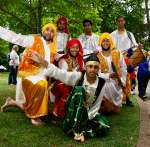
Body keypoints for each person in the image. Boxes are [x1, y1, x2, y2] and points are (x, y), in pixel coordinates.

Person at [28, 52, 110, 142]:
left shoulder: (101, 83)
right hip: (73, 110)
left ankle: (81, 128)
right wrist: (44, 62)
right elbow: (59, 73)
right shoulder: (79, 76)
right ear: (86, 67)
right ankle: (78, 132)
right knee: (79, 91)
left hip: (88, 113)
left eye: (95, 67)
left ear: (98, 69)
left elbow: (96, 106)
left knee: (103, 126)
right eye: (90, 66)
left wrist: (87, 117)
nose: (92, 69)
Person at [0, 23, 57, 125]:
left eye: (52, 31)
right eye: (47, 29)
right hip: (29, 74)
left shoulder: (52, 48)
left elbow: (49, 65)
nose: (49, 32)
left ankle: (12, 102)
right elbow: (16, 38)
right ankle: (34, 117)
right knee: (41, 85)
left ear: (54, 34)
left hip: (42, 75)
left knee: (41, 89)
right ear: (43, 31)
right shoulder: (34, 39)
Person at [111, 16, 140, 106]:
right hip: (116, 60)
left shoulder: (129, 34)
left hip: (127, 60)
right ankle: (116, 100)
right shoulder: (112, 34)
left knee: (127, 80)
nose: (120, 22)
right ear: (116, 22)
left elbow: (134, 46)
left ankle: (127, 99)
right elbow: (110, 46)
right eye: (118, 21)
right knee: (117, 80)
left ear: (124, 22)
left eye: (122, 21)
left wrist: (138, 47)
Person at [52, 38, 84, 117]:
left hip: (76, 83)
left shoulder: (80, 59)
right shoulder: (63, 59)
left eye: (77, 48)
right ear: (69, 48)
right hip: (63, 82)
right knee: (65, 88)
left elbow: (83, 73)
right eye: (73, 47)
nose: (75, 50)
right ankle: (60, 109)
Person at [97, 33, 127, 113]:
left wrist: (122, 81)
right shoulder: (97, 56)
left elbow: (123, 68)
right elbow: (96, 72)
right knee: (105, 108)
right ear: (100, 42)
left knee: (114, 110)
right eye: (103, 41)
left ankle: (113, 105)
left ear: (111, 42)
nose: (105, 43)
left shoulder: (117, 53)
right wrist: (108, 75)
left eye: (107, 41)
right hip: (103, 82)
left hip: (116, 82)